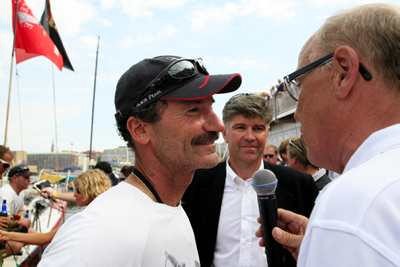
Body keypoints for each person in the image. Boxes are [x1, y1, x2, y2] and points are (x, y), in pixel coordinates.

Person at [38, 55, 241, 266]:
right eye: (194, 110)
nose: (218, 126)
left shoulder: (171, 208)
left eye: (211, 108)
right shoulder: (99, 233)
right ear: (140, 129)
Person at [257, 3, 400, 266]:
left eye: (299, 86)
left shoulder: (353, 203)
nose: (297, 112)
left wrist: (336, 231)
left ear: (343, 72)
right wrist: (319, 248)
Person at [183, 93, 318, 267]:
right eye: (240, 127)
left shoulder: (300, 185)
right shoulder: (196, 183)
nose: (250, 137)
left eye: (258, 128)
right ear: (225, 133)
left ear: (267, 132)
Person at [0, 169, 111, 246]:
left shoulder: (83, 219)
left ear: (88, 192)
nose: (74, 194)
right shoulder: (103, 212)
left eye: (77, 191)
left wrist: (7, 235)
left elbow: (45, 238)